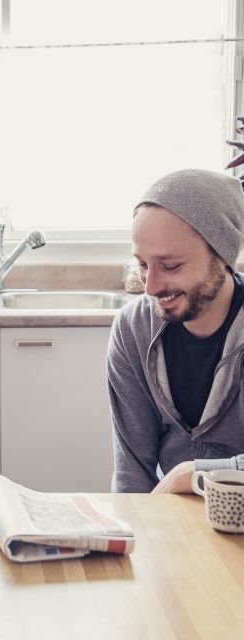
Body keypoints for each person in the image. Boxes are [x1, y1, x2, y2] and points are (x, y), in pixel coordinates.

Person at [108, 168, 244, 494]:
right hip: (171, 521)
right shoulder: (133, 329)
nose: (151, 286)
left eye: (171, 266)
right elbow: (131, 472)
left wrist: (195, 474)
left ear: (223, 257)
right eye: (142, 265)